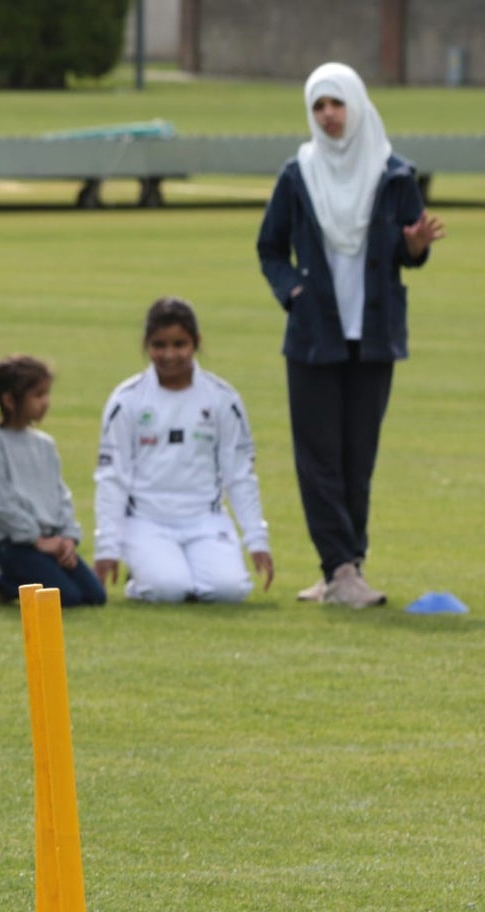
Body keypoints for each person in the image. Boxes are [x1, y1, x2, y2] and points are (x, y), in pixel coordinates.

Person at [257, 62, 444, 609]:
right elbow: (271, 248)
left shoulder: (393, 173)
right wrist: (293, 292)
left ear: (356, 105)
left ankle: (346, 566)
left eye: (337, 103)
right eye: (318, 106)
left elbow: (413, 250)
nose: (329, 115)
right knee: (317, 458)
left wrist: (415, 247)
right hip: (314, 336)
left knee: (356, 457)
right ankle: (339, 568)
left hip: (374, 336)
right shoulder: (299, 174)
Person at [92, 298, 274, 604]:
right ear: (146, 345)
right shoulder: (127, 400)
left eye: (180, 344)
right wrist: (107, 548)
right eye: (159, 345)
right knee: (168, 590)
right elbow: (112, 477)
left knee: (229, 591)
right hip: (145, 519)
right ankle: (143, 575)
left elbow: (239, 473)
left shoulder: (222, 399)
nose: (169, 355)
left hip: (205, 517)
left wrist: (256, 539)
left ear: (196, 342)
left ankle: (174, 568)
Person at [0, 353, 106, 608]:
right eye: (38, 395)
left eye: (47, 393)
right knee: (65, 598)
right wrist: (36, 539)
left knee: (94, 596)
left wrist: (68, 538)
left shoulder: (45, 445)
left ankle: (22, 573)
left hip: (50, 541)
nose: (46, 402)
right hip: (13, 543)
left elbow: (60, 494)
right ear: (9, 400)